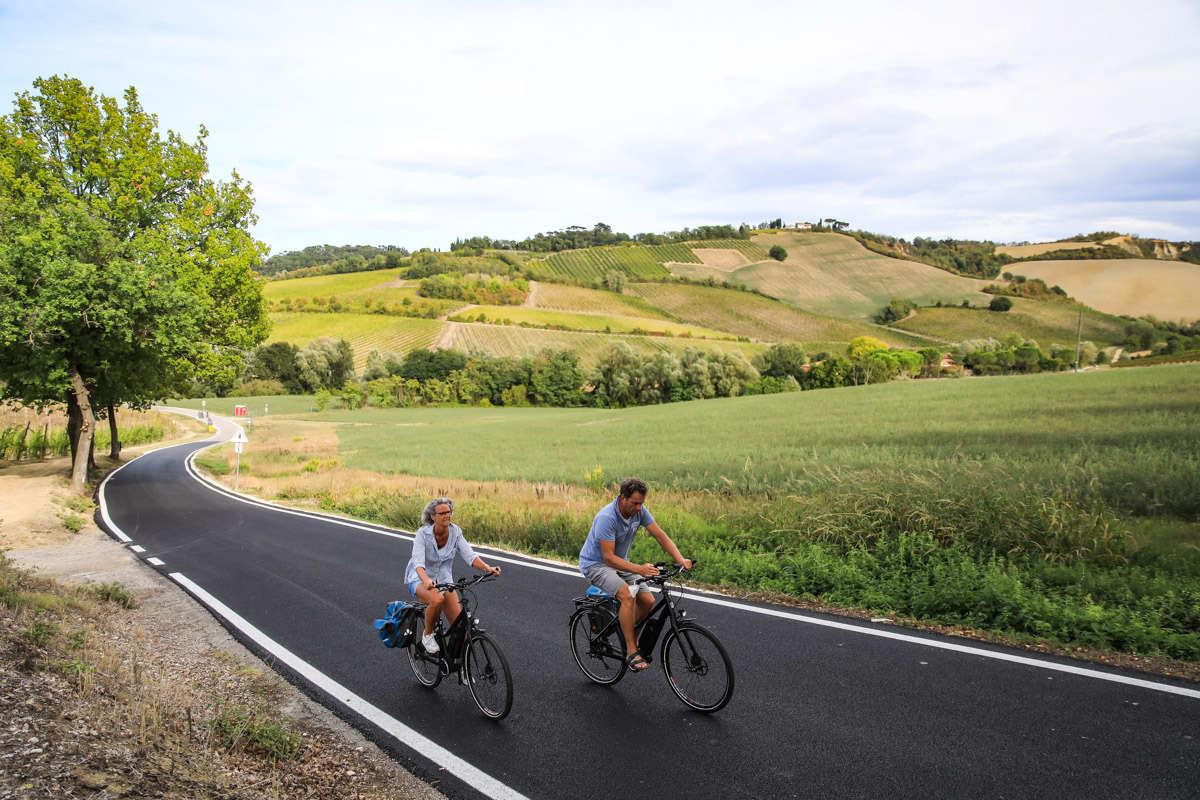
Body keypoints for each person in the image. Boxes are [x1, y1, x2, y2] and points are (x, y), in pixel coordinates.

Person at [578, 477, 691, 671]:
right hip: (596, 565)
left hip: (622, 563)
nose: (639, 508)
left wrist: (680, 559)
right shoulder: (607, 517)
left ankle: (628, 636)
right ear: (622, 498)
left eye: (642, 504)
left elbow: (660, 535)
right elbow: (609, 559)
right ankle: (631, 650)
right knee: (627, 596)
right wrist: (640, 569)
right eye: (635, 503)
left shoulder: (639, 512)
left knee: (647, 602)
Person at [405, 497, 500, 655]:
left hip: (444, 581)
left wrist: (487, 568)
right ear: (433, 516)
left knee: (461, 626)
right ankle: (427, 635)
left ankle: (463, 672)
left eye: (449, 512)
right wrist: (426, 580)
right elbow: (418, 564)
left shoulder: (455, 532)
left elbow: (470, 556)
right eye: (442, 513)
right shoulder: (423, 534)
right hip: (420, 580)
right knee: (437, 600)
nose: (447, 515)